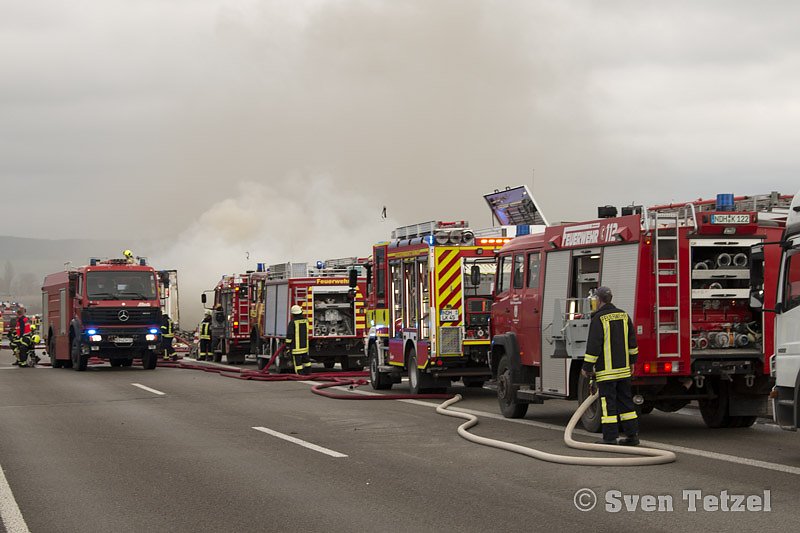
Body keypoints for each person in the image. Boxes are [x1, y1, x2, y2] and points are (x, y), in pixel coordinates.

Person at [581, 286, 640, 446]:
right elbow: (632, 343)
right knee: (627, 403)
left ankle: (609, 438)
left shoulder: (598, 319)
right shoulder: (624, 316)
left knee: (608, 406)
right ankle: (632, 436)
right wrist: (633, 361)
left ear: (599, 300)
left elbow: (594, 346)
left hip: (607, 372)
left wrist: (587, 367)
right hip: (623, 370)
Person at [285, 305, 310, 375]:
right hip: (305, 346)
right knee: (306, 360)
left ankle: (300, 374)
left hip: (296, 348)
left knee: (298, 362)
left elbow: (290, 335)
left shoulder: (293, 322)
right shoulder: (305, 321)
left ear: (293, 313)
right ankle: (308, 372)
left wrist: (287, 345)